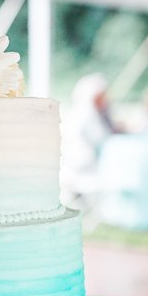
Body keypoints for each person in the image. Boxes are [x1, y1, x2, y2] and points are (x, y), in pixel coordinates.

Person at [60, 73, 117, 202]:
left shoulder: (78, 112)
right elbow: (103, 140)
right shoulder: (88, 114)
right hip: (85, 167)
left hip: (76, 165)